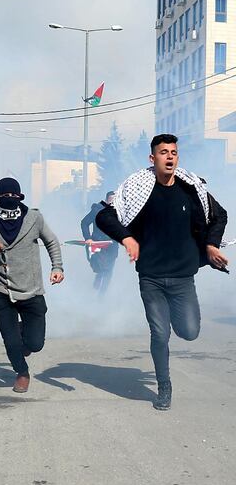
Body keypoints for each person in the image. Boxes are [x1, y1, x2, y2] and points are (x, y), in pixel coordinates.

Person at [96, 134, 228, 411]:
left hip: (182, 278)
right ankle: (164, 386)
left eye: (174, 152)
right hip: (152, 278)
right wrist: (127, 238)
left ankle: (176, 327)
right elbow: (104, 216)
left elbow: (220, 215)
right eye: (164, 152)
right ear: (152, 158)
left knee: (189, 332)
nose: (170, 157)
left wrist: (211, 245)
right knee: (160, 333)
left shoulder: (191, 189)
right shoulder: (137, 188)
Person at [0, 178, 64, 394]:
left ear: (20, 197)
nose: (10, 200)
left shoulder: (34, 218)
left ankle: (23, 333)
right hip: (1, 292)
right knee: (11, 342)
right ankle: (22, 373)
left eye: (14, 196)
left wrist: (57, 267)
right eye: (5, 197)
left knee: (35, 344)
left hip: (32, 291)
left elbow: (52, 241)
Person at [80, 190, 119, 295]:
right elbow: (84, 223)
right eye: (112, 199)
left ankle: (101, 298)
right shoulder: (97, 210)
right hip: (97, 244)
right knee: (99, 267)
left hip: (112, 246)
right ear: (107, 200)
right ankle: (98, 276)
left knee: (109, 271)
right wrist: (87, 238)